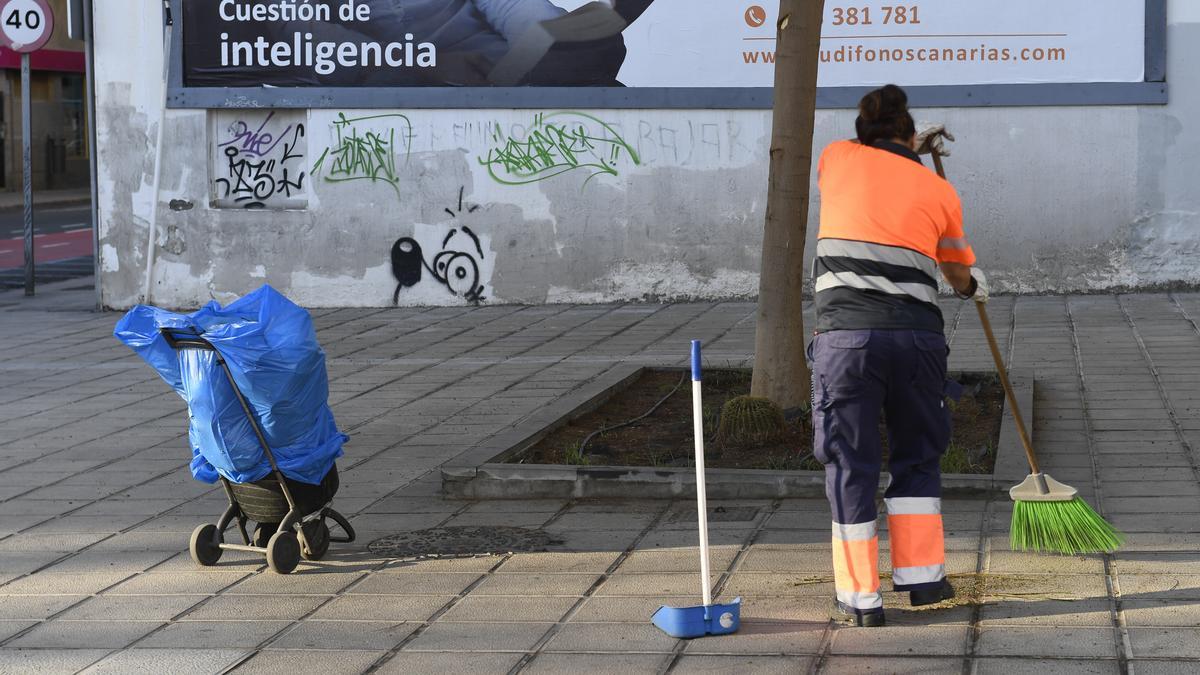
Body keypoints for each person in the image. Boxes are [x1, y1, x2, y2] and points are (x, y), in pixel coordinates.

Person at [808, 84, 988, 627]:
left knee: (851, 465)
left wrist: (907, 147)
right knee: (918, 457)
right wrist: (970, 286)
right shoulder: (940, 192)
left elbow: (871, 168)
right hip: (917, 342)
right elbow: (957, 274)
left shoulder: (836, 159)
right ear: (912, 136)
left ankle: (861, 598)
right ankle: (923, 580)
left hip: (848, 343)